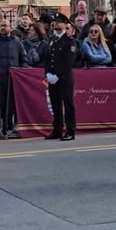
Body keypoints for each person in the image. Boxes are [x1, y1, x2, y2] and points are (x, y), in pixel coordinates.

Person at [44, 13, 77, 141]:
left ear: (65, 24)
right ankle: (57, 129)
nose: (56, 24)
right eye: (54, 22)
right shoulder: (51, 40)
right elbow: (47, 59)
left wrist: (57, 75)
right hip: (52, 77)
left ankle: (70, 130)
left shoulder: (70, 41)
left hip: (64, 78)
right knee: (55, 104)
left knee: (68, 104)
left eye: (59, 22)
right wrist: (47, 73)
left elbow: (69, 61)